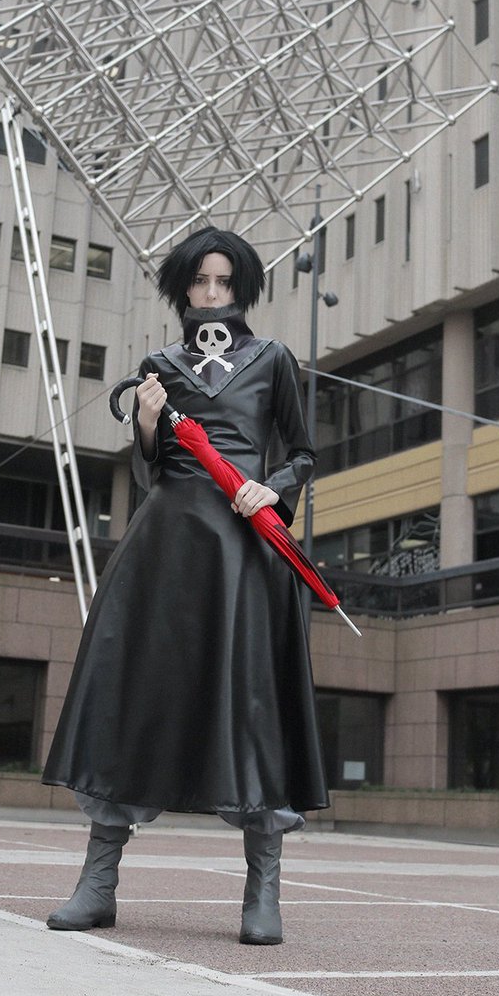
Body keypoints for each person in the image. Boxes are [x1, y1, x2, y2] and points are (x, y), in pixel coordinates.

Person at [42, 226, 329, 945]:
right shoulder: (158, 366)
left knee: (252, 706)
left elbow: (303, 453)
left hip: (242, 550)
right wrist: (145, 423)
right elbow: (151, 471)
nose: (211, 293)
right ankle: (97, 884)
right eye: (199, 281)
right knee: (132, 697)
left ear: (243, 288)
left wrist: (271, 487)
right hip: (163, 548)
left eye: (223, 281)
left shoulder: (273, 359)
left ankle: (262, 892)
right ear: (181, 288)